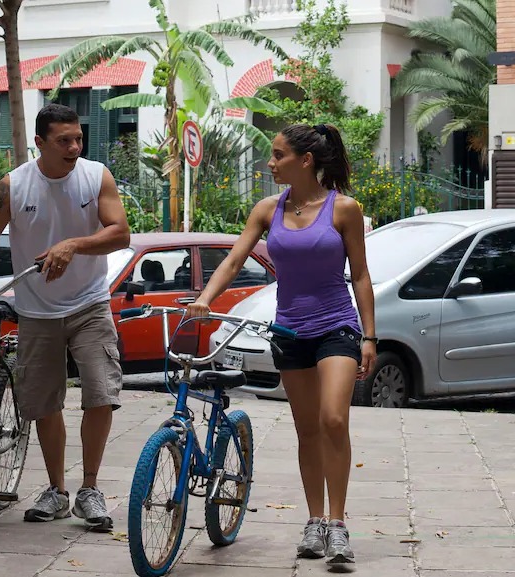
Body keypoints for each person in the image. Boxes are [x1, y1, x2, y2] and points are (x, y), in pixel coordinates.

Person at [188, 123, 377, 567]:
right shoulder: (267, 210)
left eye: (277, 155)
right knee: (307, 429)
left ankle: (338, 523)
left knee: (333, 419)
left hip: (337, 327)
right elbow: (234, 260)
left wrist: (370, 336)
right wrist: (204, 299)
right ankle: (314, 522)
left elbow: (363, 275)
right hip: (289, 331)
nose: (269, 163)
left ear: (305, 160)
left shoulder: (343, 209)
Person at [0, 103, 131, 532]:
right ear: (39, 143)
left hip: (89, 303)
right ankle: (56, 490)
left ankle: (89, 488)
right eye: (63, 140)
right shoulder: (14, 185)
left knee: (101, 392)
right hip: (35, 310)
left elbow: (120, 232)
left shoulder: (95, 175)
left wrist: (73, 245)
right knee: (44, 403)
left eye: (78, 139)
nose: (74, 147)